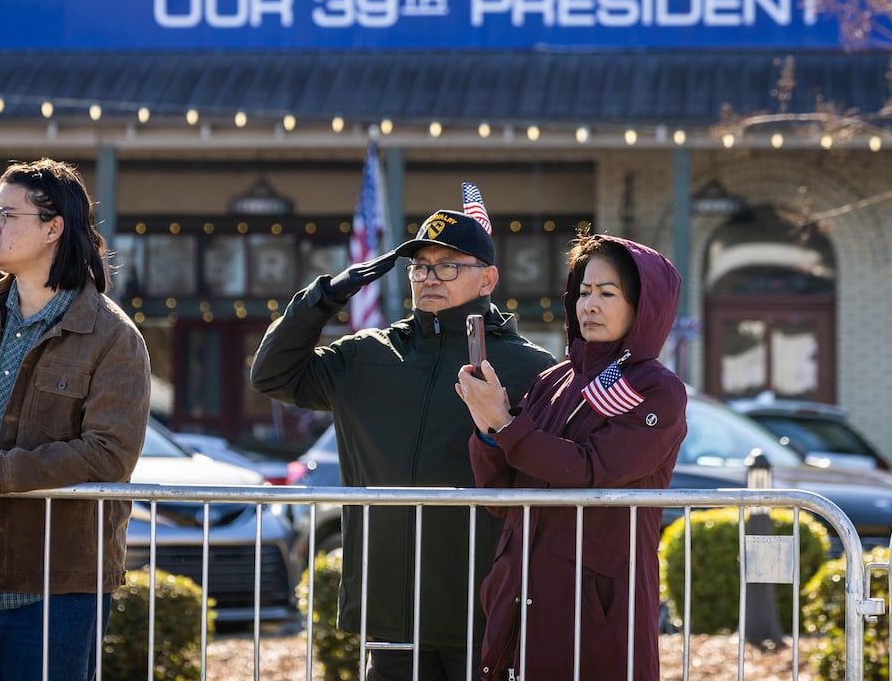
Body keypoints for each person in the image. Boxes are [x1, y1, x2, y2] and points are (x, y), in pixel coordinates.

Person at [251, 199, 554, 681]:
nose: (430, 277)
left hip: (484, 608)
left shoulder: (532, 368)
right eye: (420, 266)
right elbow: (271, 375)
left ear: (488, 280)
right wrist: (326, 295)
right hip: (392, 607)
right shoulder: (367, 356)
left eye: (449, 265)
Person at [0, 159, 150, 681]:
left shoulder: (112, 337)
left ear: (52, 227)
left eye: (6, 215)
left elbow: (109, 453)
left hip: (52, 592)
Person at [457, 233, 687, 681]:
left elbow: (590, 471)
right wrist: (488, 428)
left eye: (607, 293)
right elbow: (498, 492)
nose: (590, 305)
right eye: (583, 292)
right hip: (521, 589)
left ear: (644, 306)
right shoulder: (552, 381)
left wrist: (506, 424)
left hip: (597, 601)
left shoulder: (657, 389)